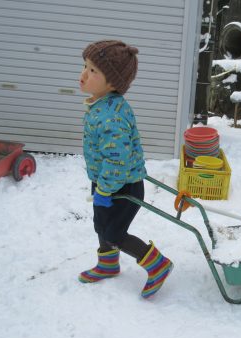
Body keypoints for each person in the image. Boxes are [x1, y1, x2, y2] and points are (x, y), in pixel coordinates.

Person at [78, 40, 172, 299]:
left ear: (113, 82)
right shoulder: (101, 105)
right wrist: (101, 187)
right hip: (105, 183)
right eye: (85, 67)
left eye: (93, 71)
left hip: (122, 186)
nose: (84, 75)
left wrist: (105, 191)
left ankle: (158, 265)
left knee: (114, 232)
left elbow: (117, 161)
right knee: (101, 225)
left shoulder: (112, 116)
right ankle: (108, 265)